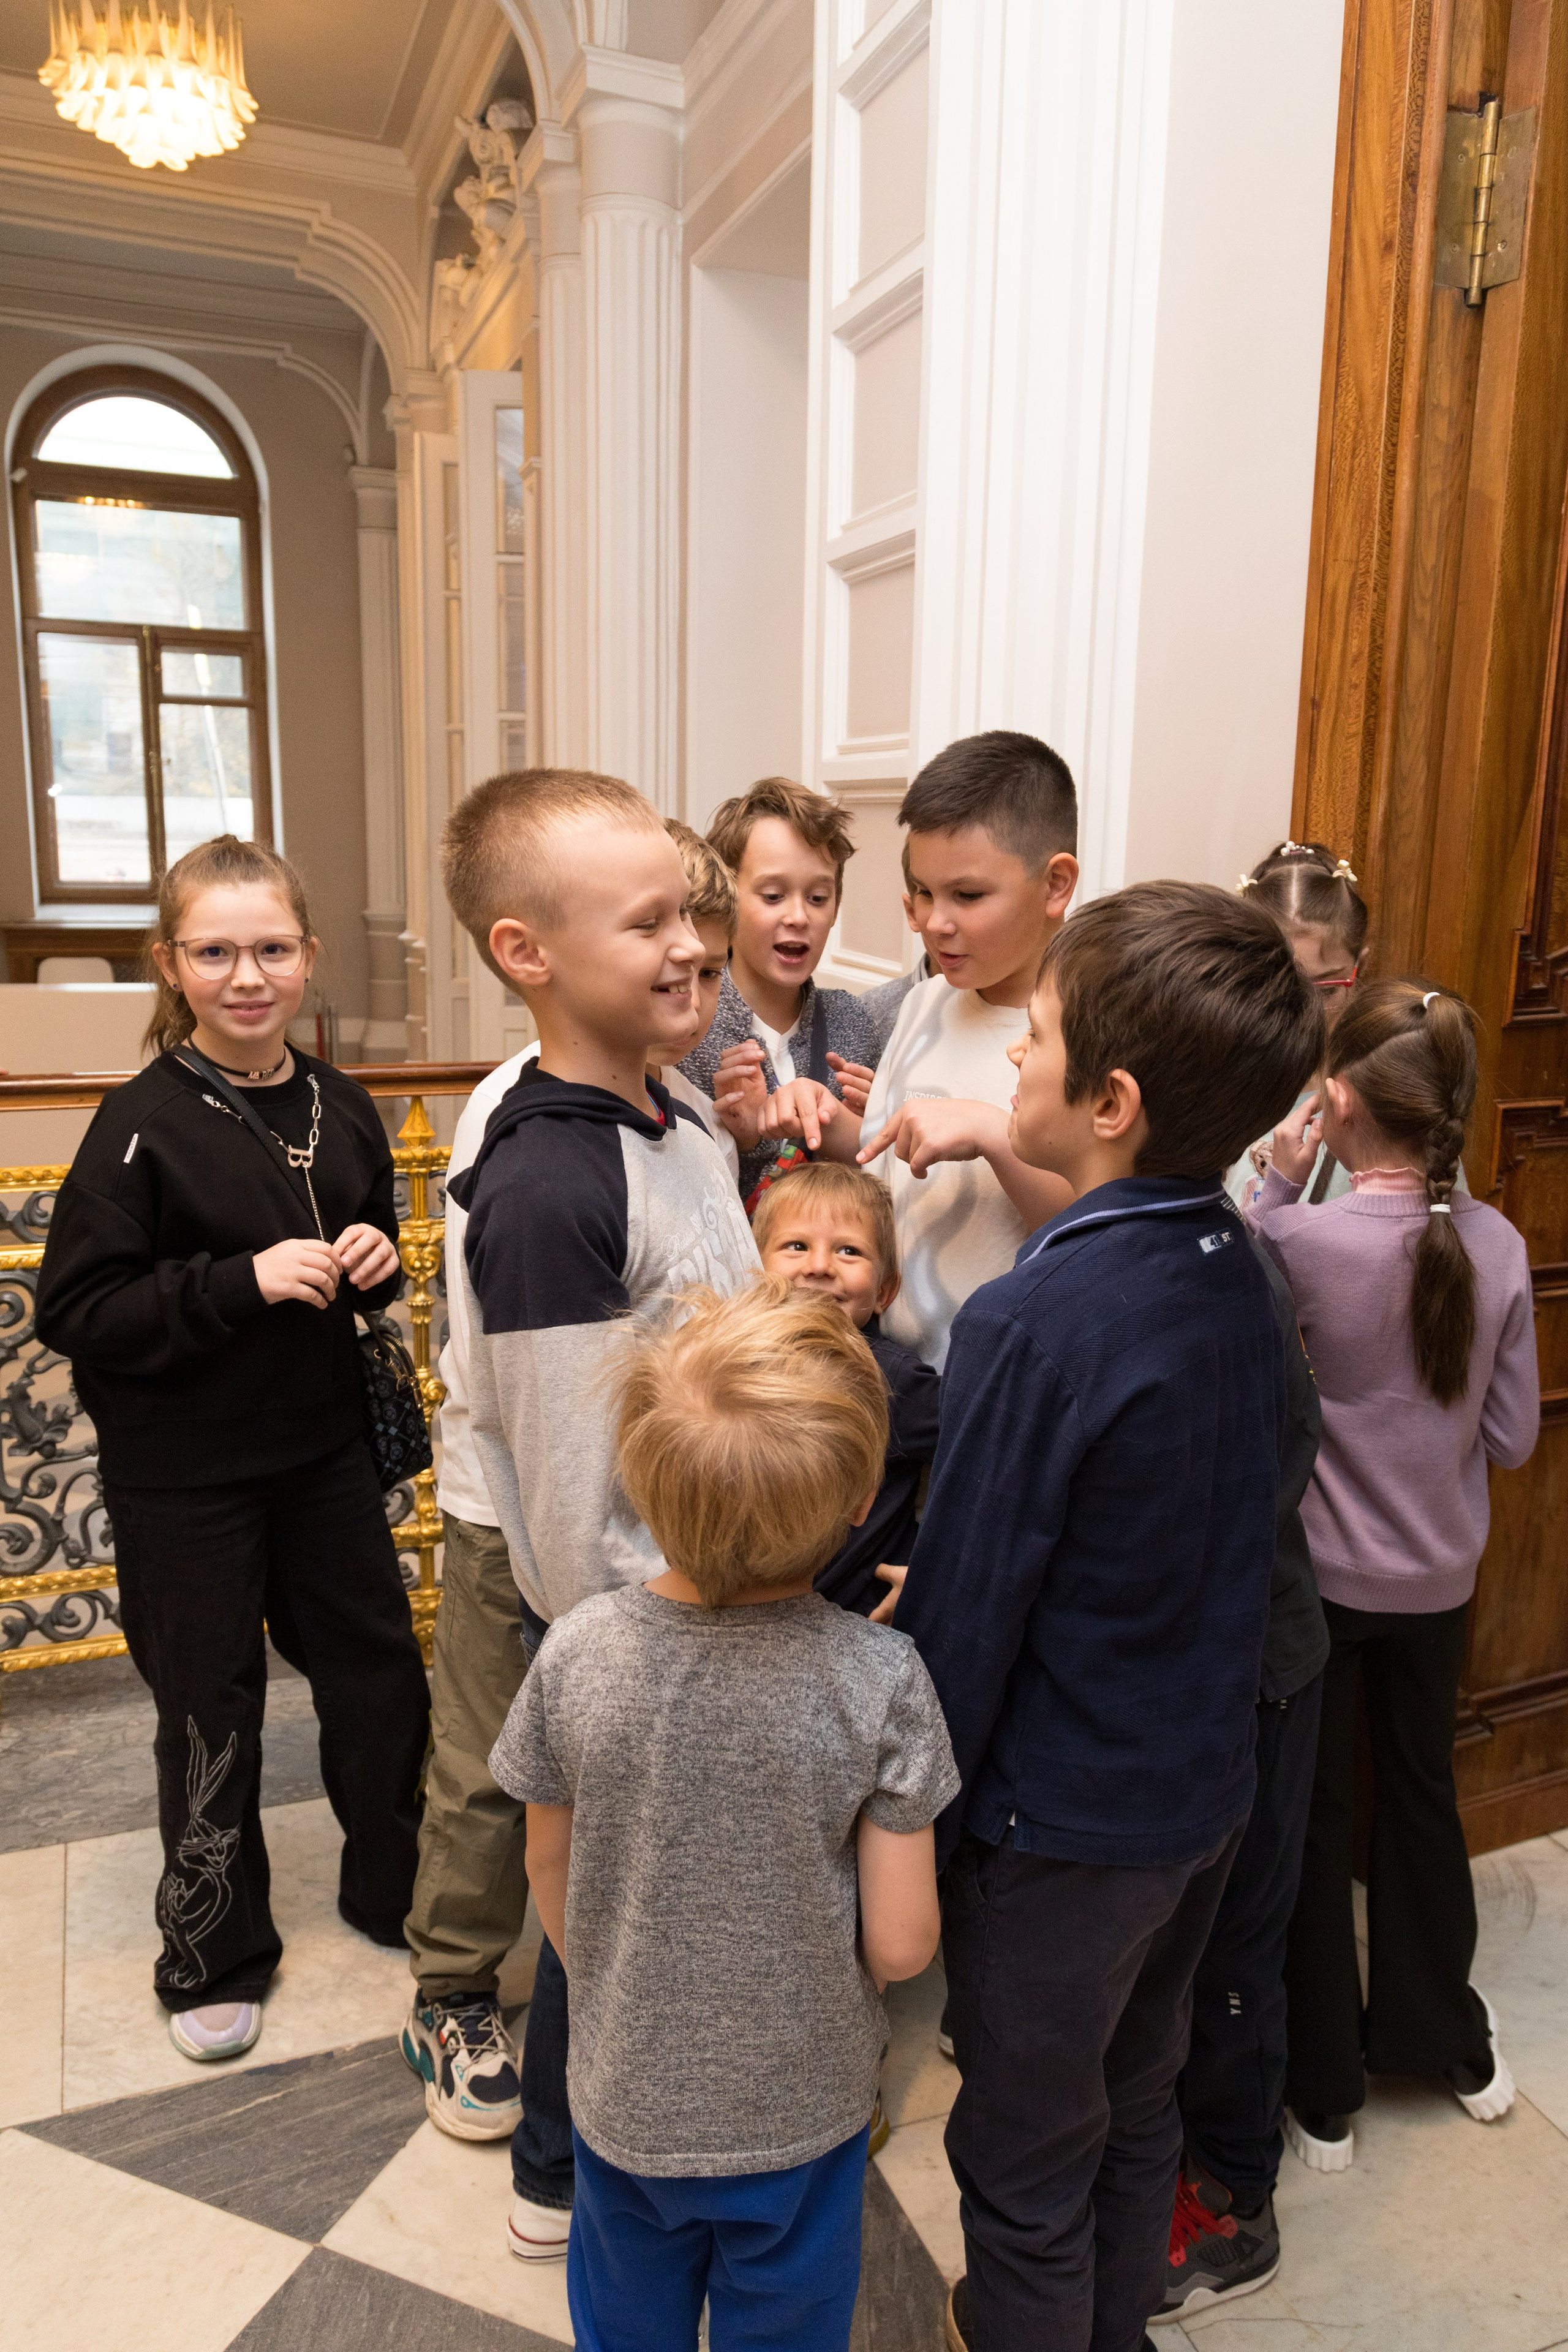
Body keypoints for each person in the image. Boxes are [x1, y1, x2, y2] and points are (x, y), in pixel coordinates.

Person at [889, 880, 1323, 2352]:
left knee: (1020, 2146)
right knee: (1138, 2094)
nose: (1012, 1057)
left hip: (1061, 1828)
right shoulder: (1238, 1264)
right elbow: (1272, 1482)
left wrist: (917, 1827)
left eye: (1038, 1035)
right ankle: (1111, 2323)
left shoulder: (1037, 1315)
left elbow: (968, 1605)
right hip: (1199, 1790)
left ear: (1111, 1099)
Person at [488, 1281, 958, 2352]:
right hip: (804, 2109)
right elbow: (900, 1942)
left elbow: (548, 1864)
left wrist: (610, 1976)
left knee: (629, 2322)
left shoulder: (577, 1654)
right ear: (855, 1500)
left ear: (643, 1484)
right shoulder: (880, 1679)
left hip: (623, 2096)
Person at [34, 834, 430, 2065]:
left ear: (309, 960)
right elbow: (78, 1313)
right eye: (215, 951)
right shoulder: (138, 1126)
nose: (245, 975)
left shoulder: (342, 1103)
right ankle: (212, 1945)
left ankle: (391, 1889)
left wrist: (374, 1259)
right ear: (172, 965)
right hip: (184, 1478)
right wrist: (234, 1284)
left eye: (269, 949)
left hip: (321, 1461)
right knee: (213, 1708)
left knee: (379, 1679)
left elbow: (364, 1233)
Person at [439, 767, 761, 2259]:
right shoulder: (547, 1184)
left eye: (692, 910)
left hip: (718, 1588)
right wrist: (678, 1635)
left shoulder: (677, 1110)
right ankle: (564, 2172)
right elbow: (571, 1520)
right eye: (647, 923)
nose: (692, 943)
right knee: (610, 1909)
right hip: (640, 1622)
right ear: (529, 953)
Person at [1246, 981, 1539, 2172]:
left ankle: (1321, 2093)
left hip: (1321, 1583)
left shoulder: (1293, 1237)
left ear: (1340, 1100)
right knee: (1419, 1803)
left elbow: (1259, 1354)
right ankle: (1445, 2044)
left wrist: (1275, 1175)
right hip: (1437, 1584)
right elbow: (1512, 1439)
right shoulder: (1499, 1246)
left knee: (1311, 1826)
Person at [1160, 1237, 1327, 2319]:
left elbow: (1278, 1455)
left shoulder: (1225, 1268)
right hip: (1217, 1663)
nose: (1022, 1055)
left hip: (1256, 1667)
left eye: (1039, 1049)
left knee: (1234, 1955)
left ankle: (1238, 2204)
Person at [856, 730, 1080, 1371]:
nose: (934, 921)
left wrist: (994, 1134)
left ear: (1055, 884)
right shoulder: (923, 1005)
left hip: (994, 1382)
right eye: (923, 893)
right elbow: (885, 1173)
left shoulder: (1085, 1040)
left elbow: (1093, 1230)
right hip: (890, 1370)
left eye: (968, 896)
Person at [752, 1162, 940, 1618]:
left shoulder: (895, 1383)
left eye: (849, 1251)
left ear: (885, 1292)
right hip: (744, 1617)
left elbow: (995, 1461)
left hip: (858, 1627)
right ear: (754, 1271)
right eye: (796, 1246)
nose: (819, 1266)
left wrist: (939, 1571)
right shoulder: (735, 1364)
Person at [678, 776, 880, 1198]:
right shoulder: (687, 1032)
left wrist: (867, 1129)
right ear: (728, 899)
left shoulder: (854, 1024)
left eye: (818, 898)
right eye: (773, 896)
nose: (798, 916)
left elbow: (876, 1186)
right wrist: (746, 1143)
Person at [1227, 841, 1370, 1209]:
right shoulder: (1216, 1080)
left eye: (1325, 990)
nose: (1303, 1012)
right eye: (1278, 984)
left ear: (1361, 969)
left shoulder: (1378, 1100)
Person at [859, 839, 936, 1058]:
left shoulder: (1037, 1026)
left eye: (969, 895)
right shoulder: (868, 1019)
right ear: (911, 913)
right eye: (927, 893)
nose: (939, 923)